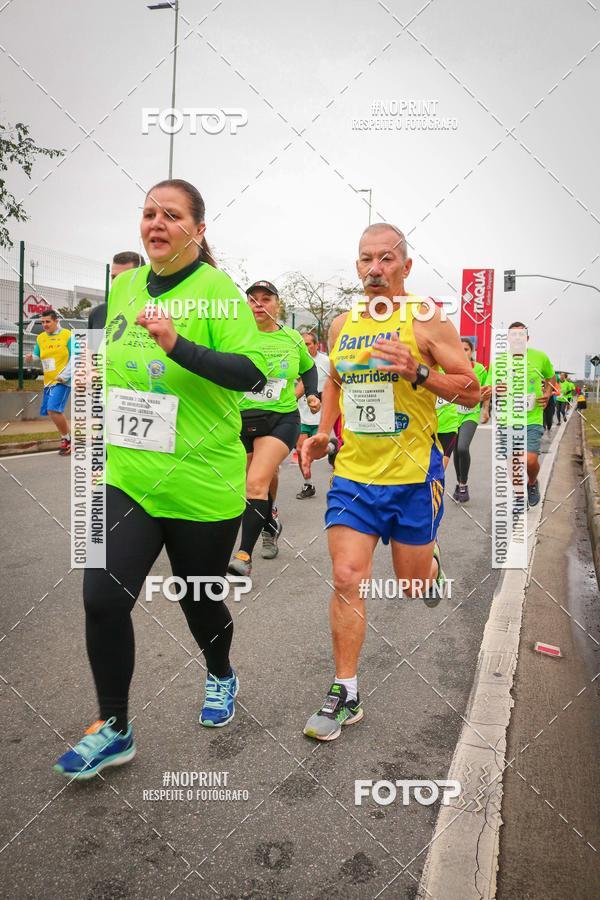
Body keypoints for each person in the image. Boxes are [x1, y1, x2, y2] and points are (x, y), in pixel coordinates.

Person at [53, 179, 268, 779]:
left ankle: (221, 673)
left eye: (171, 215)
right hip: (128, 477)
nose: (156, 222)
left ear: (197, 230)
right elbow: (102, 367)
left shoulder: (219, 292)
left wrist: (176, 344)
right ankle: (115, 727)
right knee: (101, 596)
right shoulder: (122, 286)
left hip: (200, 483)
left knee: (198, 599)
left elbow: (251, 374)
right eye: (148, 213)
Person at [300, 223, 479, 741]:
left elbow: (471, 392)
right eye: (364, 259)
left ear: (405, 266)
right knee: (347, 576)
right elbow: (334, 379)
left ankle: (430, 564)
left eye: (385, 259)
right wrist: (320, 434)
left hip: (413, 478)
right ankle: (345, 692)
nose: (373, 269)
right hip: (354, 476)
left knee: (412, 583)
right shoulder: (341, 326)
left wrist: (419, 374)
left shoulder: (428, 321)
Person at [228, 282, 320, 575]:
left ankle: (243, 555)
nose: (259, 304)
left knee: (256, 482)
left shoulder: (292, 338)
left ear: (277, 305)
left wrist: (312, 393)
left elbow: (308, 368)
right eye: (253, 300)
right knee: (254, 484)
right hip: (240, 419)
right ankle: (269, 523)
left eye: (266, 299)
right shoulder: (233, 335)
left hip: (281, 418)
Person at [482, 322, 555, 507]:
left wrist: (547, 392)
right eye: (513, 335)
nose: (517, 338)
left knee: (529, 460)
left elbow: (550, 377)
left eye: (521, 335)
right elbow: (489, 388)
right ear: (507, 338)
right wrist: (495, 389)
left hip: (532, 418)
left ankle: (531, 482)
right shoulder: (498, 362)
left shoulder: (540, 357)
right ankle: (519, 496)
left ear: (527, 338)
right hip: (507, 419)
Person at [25, 309, 72, 456]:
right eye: (43, 322)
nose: (45, 325)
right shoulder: (41, 338)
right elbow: (38, 355)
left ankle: (67, 439)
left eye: (48, 322)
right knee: (52, 412)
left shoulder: (68, 335)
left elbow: (76, 357)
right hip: (48, 381)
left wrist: (65, 375)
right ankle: (67, 438)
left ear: (56, 321)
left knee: (53, 409)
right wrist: (31, 357)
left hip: (63, 380)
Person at [296, 331, 331, 498]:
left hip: (321, 415)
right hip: (301, 413)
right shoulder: (294, 361)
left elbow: (336, 386)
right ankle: (308, 485)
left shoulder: (326, 362)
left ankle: (333, 449)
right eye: (301, 344)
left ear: (317, 345)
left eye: (308, 344)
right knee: (301, 449)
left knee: (319, 450)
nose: (305, 347)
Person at [452, 339, 487, 502]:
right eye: (459, 349)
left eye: (466, 349)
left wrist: (485, 410)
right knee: (456, 451)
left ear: (472, 352)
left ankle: (463, 484)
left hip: (471, 414)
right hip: (453, 414)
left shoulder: (479, 369)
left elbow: (486, 391)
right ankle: (459, 483)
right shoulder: (450, 367)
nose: (463, 352)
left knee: (463, 448)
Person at [88, 252, 146, 330]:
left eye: (123, 277)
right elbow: (92, 342)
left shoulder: (156, 313)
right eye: (113, 277)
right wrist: (76, 340)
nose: (116, 282)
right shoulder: (98, 312)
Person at [435, 378, 458, 470]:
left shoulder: (451, 368)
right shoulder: (421, 367)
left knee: (439, 471)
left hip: (448, 425)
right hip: (426, 426)